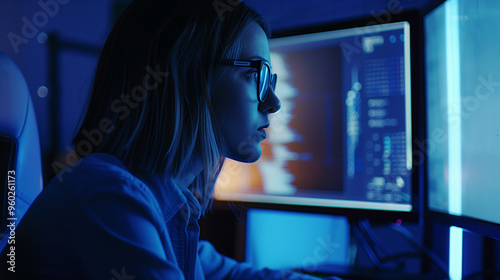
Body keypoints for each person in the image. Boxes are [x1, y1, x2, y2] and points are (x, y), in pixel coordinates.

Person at [1, 0, 344, 279]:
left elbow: (227, 273)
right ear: (188, 74)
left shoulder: (160, 199)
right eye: (258, 74)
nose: (273, 101)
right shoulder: (109, 198)